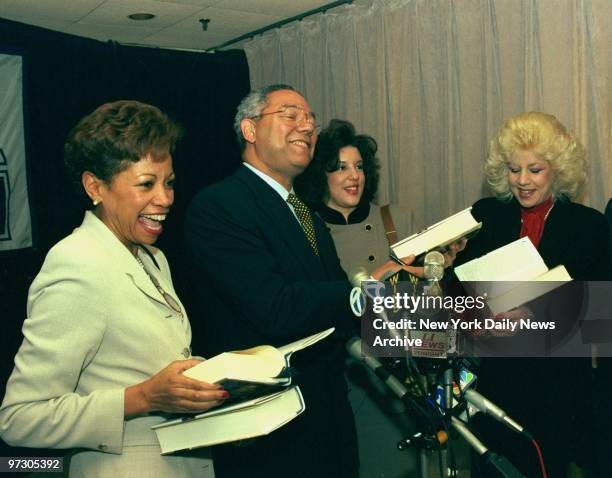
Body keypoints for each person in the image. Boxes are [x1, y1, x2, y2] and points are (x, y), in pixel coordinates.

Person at [184, 85, 411, 478]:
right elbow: (274, 307)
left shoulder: (303, 212)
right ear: (250, 130)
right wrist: (363, 290)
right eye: (291, 115)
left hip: (328, 419)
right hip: (270, 432)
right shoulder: (219, 206)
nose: (306, 126)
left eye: (310, 120)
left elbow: (336, 314)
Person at [0, 101, 228, 477]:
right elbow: (20, 417)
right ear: (95, 186)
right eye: (146, 184)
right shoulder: (77, 264)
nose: (165, 198)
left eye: (168, 182)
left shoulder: (154, 258)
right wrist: (142, 397)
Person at [452, 111, 609, 477]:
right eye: (513, 169)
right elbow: (457, 290)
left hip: (559, 391)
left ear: (558, 169)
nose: (522, 181)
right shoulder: (486, 215)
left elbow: (601, 316)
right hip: (494, 384)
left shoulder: (589, 226)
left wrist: (535, 315)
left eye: (534, 170)